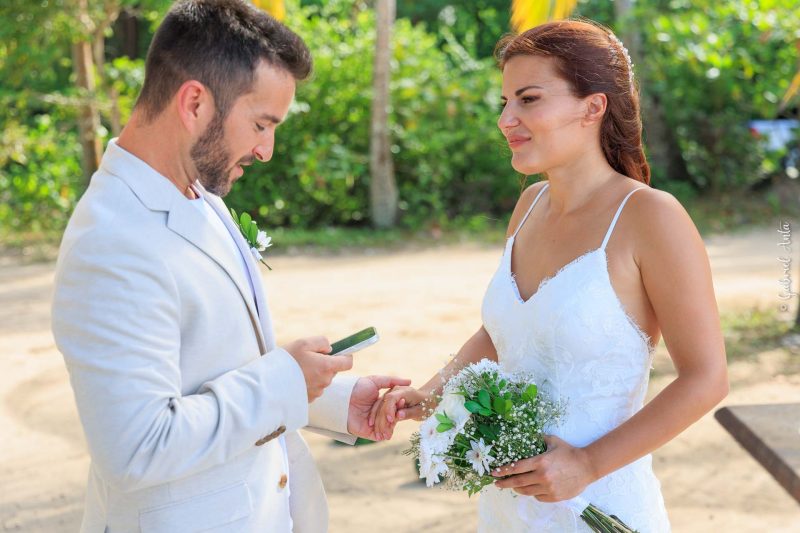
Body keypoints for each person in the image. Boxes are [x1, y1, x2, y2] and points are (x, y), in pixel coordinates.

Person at [51, 1, 408, 531]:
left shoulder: (199, 192)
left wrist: (323, 399)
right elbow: (138, 447)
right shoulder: (111, 241)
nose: (267, 150)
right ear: (194, 102)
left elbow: (211, 369)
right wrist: (286, 378)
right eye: (262, 124)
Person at [374, 20, 728, 532]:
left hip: (600, 508)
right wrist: (431, 394)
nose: (506, 119)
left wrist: (588, 464)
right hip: (507, 513)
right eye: (504, 102)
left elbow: (707, 378)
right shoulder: (529, 205)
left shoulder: (651, 217)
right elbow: (506, 334)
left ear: (593, 106)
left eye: (528, 99)